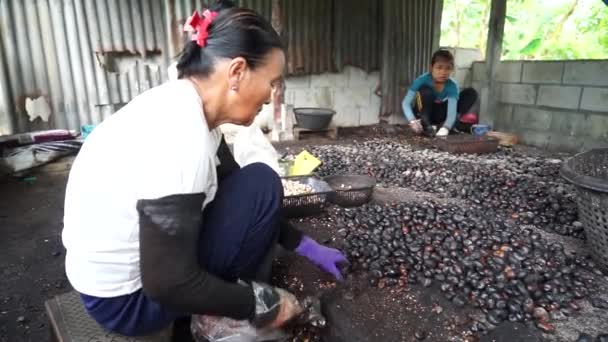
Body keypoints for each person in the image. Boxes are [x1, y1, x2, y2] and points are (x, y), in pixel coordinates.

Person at [61, 0, 347, 337]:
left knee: (258, 182)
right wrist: (258, 302)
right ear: (237, 72)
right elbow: (168, 283)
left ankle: (219, 297)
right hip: (128, 304)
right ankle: (213, 315)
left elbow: (244, 194)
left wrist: (306, 247)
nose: (270, 98)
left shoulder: (189, 110)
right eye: (271, 82)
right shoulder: (182, 138)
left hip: (129, 278)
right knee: (262, 183)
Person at [401, 49, 479, 137]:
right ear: (431, 68)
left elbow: (451, 112)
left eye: (447, 68)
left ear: (452, 69)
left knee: (470, 93)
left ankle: (446, 125)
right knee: (425, 91)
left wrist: (445, 128)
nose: (443, 72)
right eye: (439, 67)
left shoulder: (452, 85)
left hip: (439, 113)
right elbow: (405, 103)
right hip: (423, 112)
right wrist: (412, 120)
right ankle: (426, 125)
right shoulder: (421, 80)